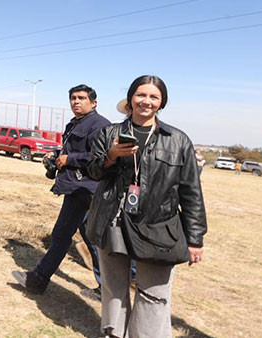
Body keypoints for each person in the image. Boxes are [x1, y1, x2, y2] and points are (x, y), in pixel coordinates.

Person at [85, 75, 207, 338]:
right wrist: (111, 156)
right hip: (113, 221)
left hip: (159, 226)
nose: (146, 101)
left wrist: (195, 238)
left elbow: (191, 192)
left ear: (161, 103)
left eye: (154, 97)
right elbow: (92, 172)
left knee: (153, 295)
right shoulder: (108, 134)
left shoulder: (178, 140)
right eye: (141, 95)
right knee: (114, 289)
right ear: (130, 98)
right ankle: (113, 334)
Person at [12, 84, 109, 298]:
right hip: (76, 186)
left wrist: (70, 159)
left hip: (84, 188)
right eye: (73, 98)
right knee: (91, 239)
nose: (76, 101)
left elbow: (100, 156)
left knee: (61, 235)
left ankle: (37, 280)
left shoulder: (100, 125)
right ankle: (107, 289)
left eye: (81, 98)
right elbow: (71, 150)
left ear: (93, 103)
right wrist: (57, 154)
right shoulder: (74, 123)